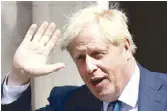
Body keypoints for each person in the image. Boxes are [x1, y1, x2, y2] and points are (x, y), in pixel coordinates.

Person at [1, 4, 167, 111]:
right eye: (80, 57)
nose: (89, 67)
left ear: (125, 47)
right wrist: (19, 76)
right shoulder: (68, 103)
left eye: (97, 54)